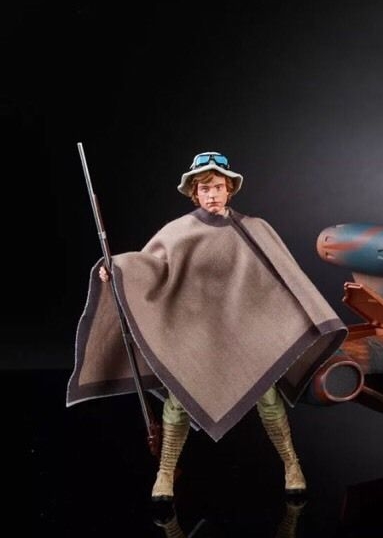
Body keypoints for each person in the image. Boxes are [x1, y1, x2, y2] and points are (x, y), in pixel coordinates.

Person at [68, 152, 347, 501]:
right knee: (179, 400)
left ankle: (292, 464)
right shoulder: (179, 231)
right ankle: (165, 473)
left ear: (229, 189)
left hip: (244, 333)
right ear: (194, 194)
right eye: (204, 189)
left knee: (269, 398)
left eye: (217, 187)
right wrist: (117, 269)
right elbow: (150, 264)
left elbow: (284, 279)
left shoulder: (255, 229)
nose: (212, 194)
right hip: (197, 333)